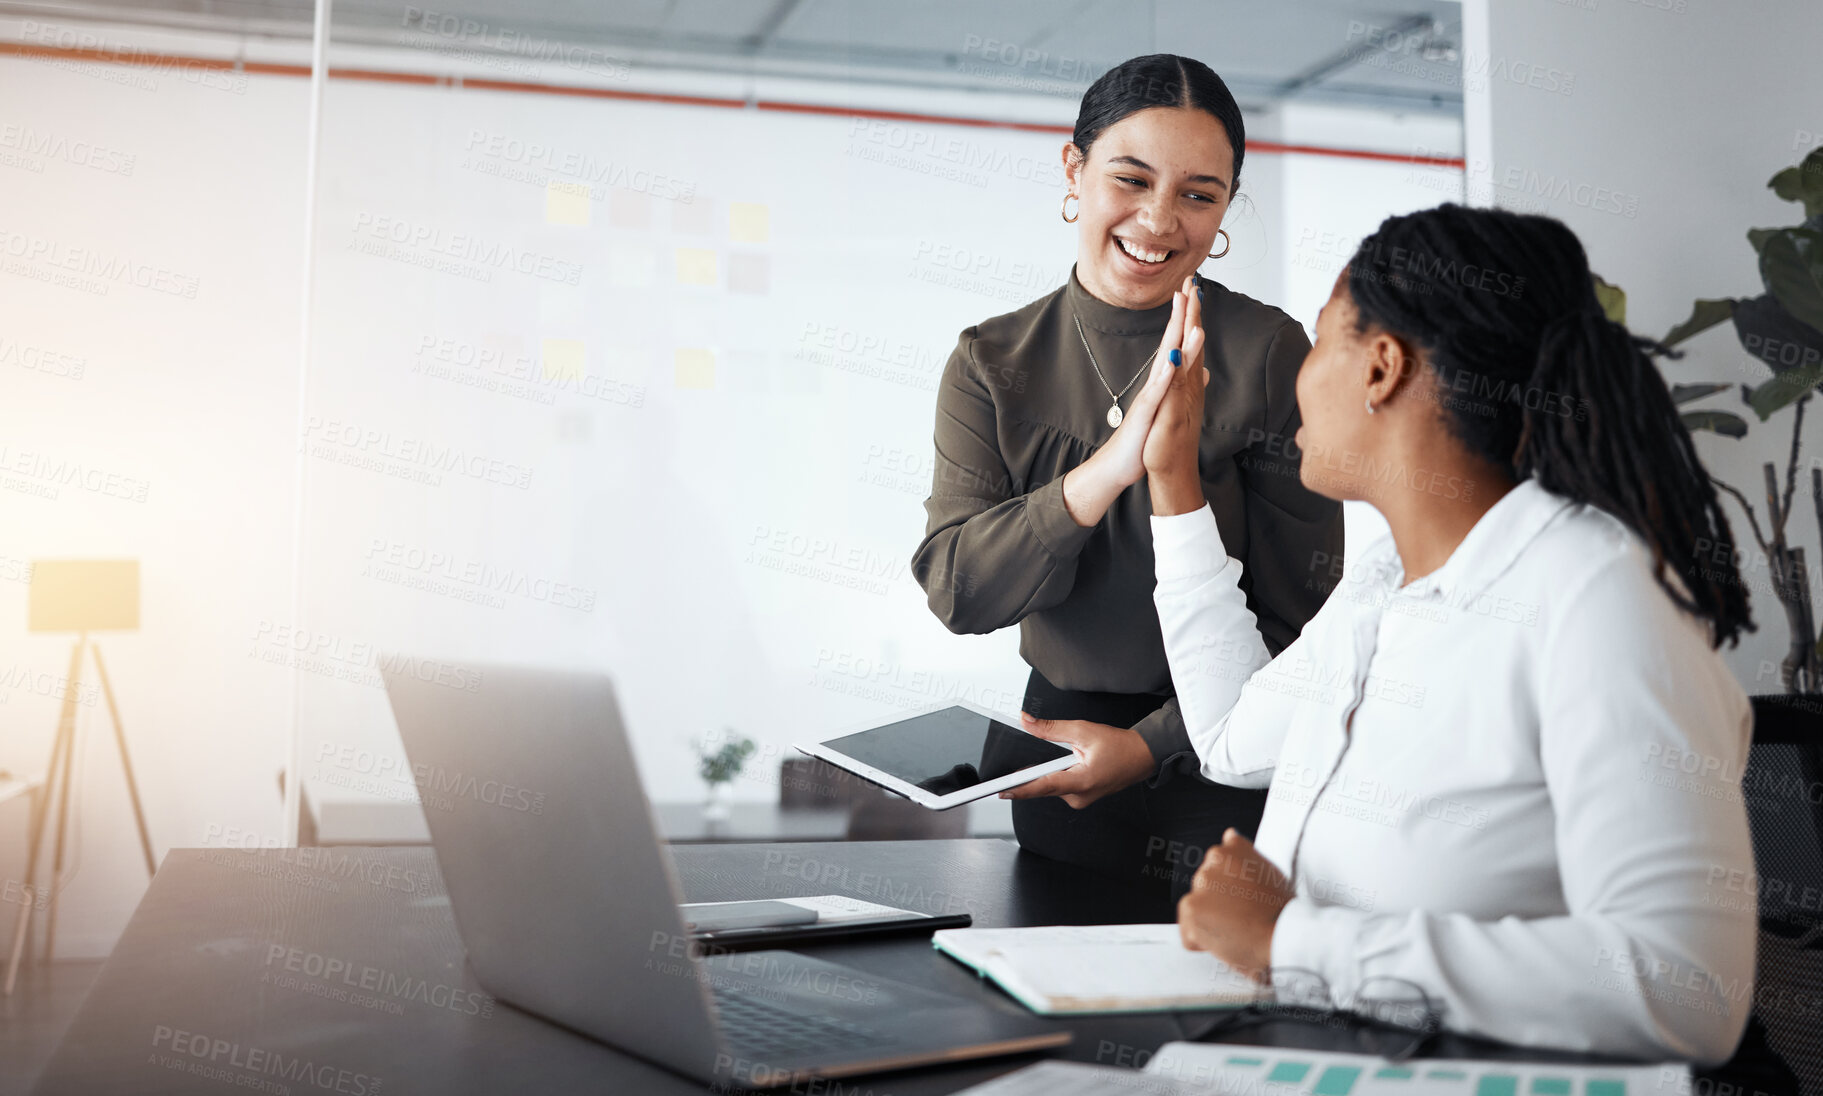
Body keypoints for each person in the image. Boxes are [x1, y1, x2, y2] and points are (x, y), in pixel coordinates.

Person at [1100, 202, 1759, 1062]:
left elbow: (1688, 988)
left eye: (1322, 337)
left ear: (1381, 367)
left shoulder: (1594, 597)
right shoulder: (1385, 585)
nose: (1297, 372)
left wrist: (1293, 943)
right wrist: (1172, 477)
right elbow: (1226, 738)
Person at [911, 53, 1343, 896]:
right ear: (1073, 169)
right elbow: (960, 593)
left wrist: (1149, 747)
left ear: (1223, 208)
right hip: (1052, 760)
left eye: (1197, 193)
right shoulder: (990, 361)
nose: (1158, 220)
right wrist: (1110, 468)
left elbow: (1306, 625)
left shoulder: (1266, 354)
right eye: (1131, 178)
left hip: (1223, 766)